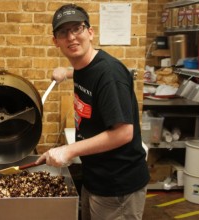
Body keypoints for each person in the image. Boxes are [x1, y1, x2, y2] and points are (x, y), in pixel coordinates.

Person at [35, 3, 150, 220]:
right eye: (63, 32)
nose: (71, 37)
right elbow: (88, 72)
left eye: (77, 28)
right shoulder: (82, 66)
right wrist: (66, 73)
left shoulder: (110, 75)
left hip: (118, 186)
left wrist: (69, 150)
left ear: (90, 32)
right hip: (96, 177)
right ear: (55, 41)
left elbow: (124, 132)